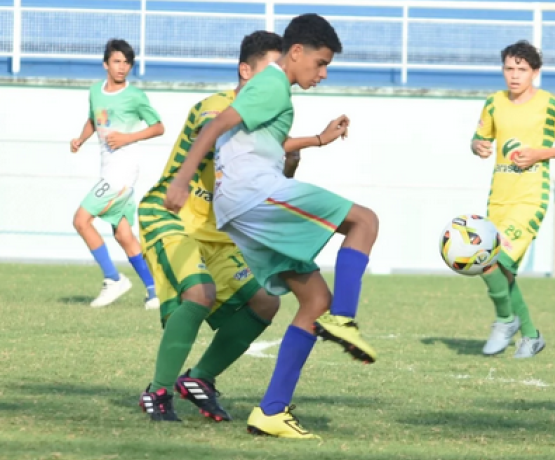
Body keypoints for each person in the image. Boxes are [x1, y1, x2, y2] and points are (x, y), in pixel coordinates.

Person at [164, 14, 379, 439]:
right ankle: (346, 321)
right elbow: (217, 124)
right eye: (320, 63)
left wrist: (316, 140)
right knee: (365, 221)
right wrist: (182, 179)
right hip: (253, 193)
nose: (323, 73)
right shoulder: (273, 82)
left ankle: (271, 411)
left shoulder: (273, 92)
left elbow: (261, 140)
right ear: (295, 52)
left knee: (314, 298)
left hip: (240, 203)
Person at [137, 31, 286, 422]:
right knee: (199, 293)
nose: (277, 81)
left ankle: (200, 379)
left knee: (267, 301)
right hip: (172, 216)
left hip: (218, 234)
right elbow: (217, 130)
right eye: (270, 71)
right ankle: (157, 392)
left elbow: (275, 173)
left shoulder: (270, 118)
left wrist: (291, 150)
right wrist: (313, 139)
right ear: (244, 70)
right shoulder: (217, 106)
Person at [471, 40, 555, 358]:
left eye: (521, 69)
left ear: (535, 72)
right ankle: (532, 336)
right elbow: (480, 139)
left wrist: (541, 152)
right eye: (509, 68)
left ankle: (505, 320)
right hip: (499, 199)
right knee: (502, 271)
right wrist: (477, 146)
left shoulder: (551, 104)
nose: (514, 75)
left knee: (490, 263)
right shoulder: (493, 103)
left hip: (530, 199)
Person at [70, 38, 165, 309]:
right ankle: (153, 291)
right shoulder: (95, 92)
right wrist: (80, 139)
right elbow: (94, 118)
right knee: (123, 234)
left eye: (127, 63)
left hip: (121, 173)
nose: (122, 67)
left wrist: (127, 137)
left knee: (81, 220)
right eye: (117, 61)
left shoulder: (135, 96)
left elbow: (158, 127)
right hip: (109, 169)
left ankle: (113, 279)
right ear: (105, 64)